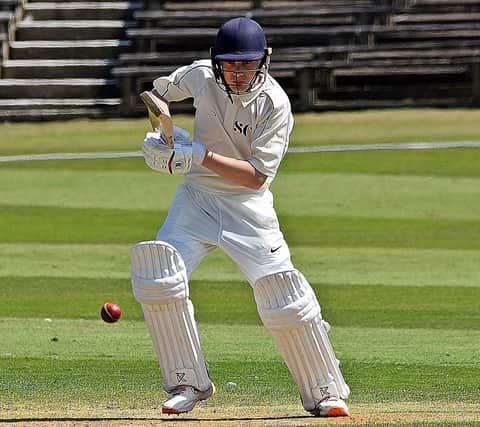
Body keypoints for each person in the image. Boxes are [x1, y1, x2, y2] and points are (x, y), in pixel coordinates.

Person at [130, 17, 350, 417]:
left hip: (248, 210)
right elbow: (158, 95)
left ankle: (324, 391)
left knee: (285, 296)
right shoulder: (199, 76)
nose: (238, 72)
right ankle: (188, 382)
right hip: (196, 200)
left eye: (246, 65)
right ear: (216, 62)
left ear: (263, 62)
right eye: (231, 64)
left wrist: (198, 154)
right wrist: (162, 135)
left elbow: (255, 177)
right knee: (157, 273)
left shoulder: (275, 104)